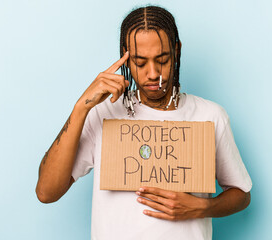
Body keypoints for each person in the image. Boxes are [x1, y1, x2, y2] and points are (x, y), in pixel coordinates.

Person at [36, 5, 252, 240]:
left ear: (176, 51)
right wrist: (81, 108)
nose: (152, 73)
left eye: (162, 59)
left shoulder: (210, 115)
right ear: (125, 56)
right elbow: (47, 192)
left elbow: (241, 193)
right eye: (140, 62)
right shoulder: (103, 114)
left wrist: (201, 207)